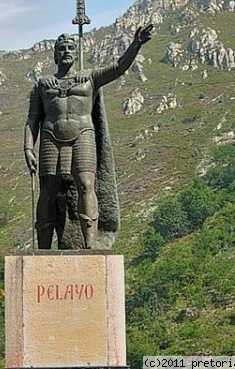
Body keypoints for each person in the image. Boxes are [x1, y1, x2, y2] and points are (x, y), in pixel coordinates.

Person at [24, 25, 153, 249]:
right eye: (62, 48)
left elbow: (118, 67)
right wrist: (28, 148)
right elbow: (32, 119)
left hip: (82, 134)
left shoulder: (90, 78)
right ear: (55, 55)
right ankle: (43, 248)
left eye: (71, 48)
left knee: (85, 185)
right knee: (48, 190)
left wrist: (136, 44)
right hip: (50, 137)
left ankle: (90, 245)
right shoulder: (43, 85)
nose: (66, 51)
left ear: (77, 53)